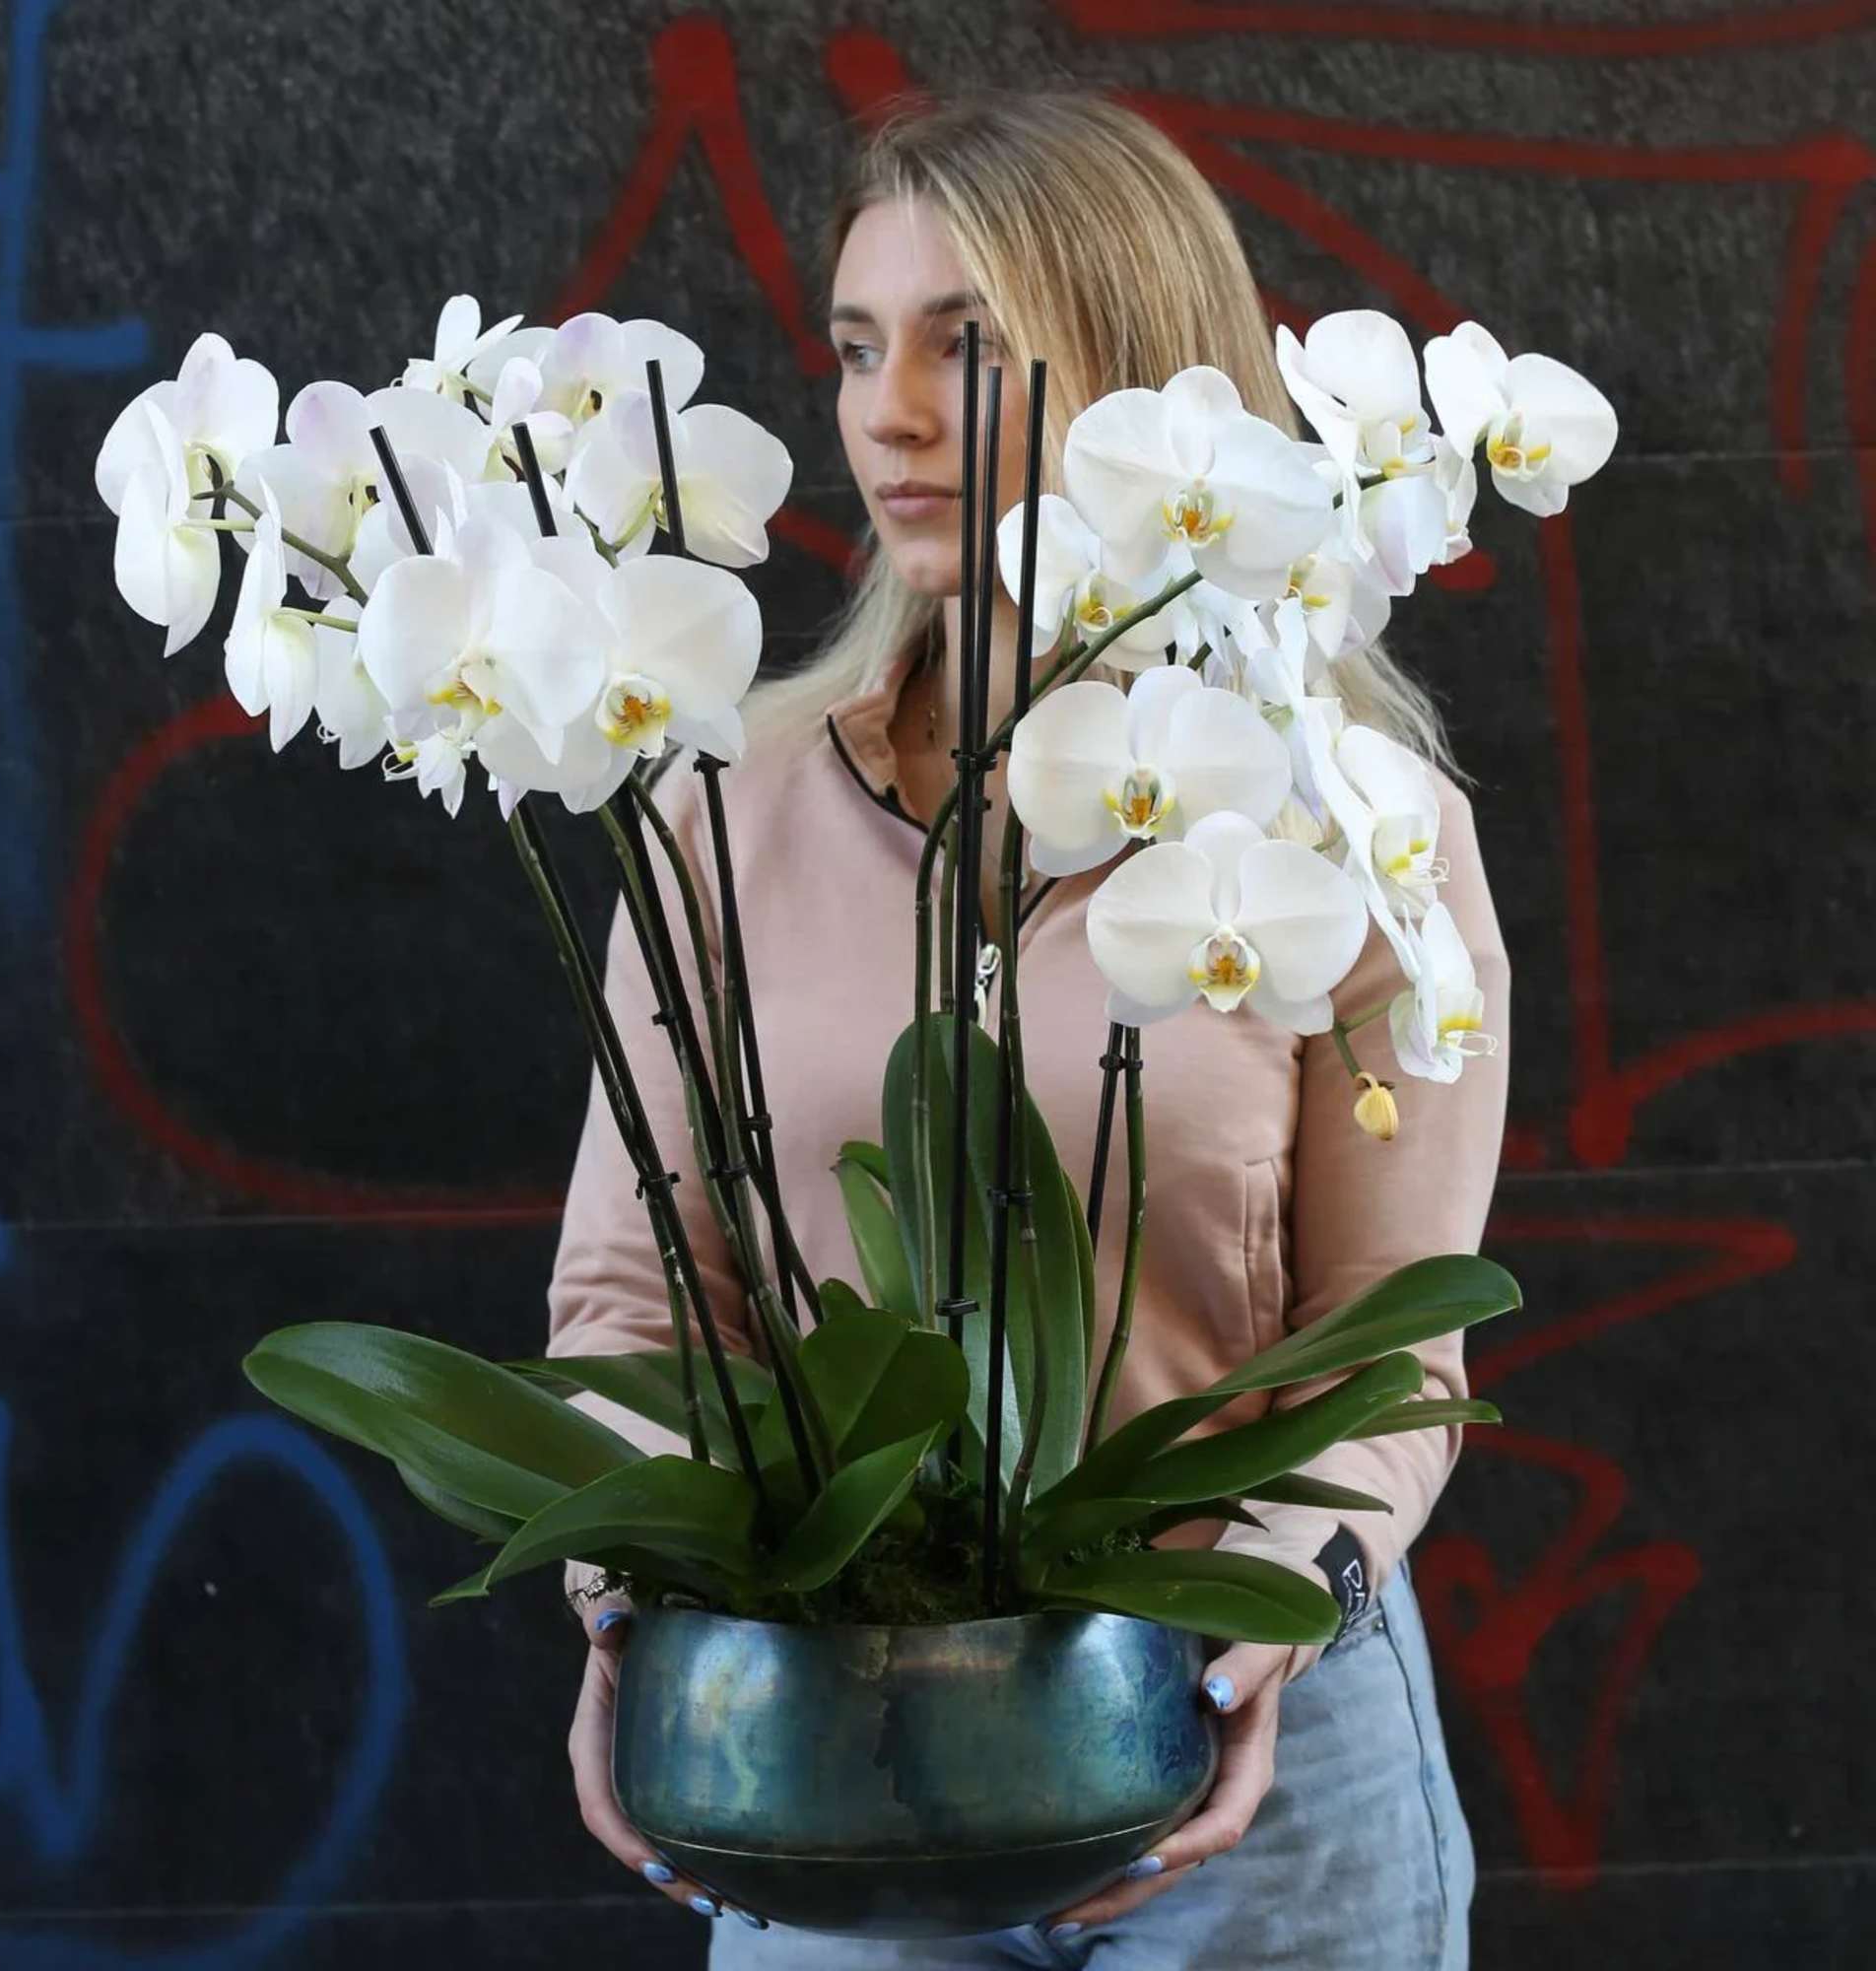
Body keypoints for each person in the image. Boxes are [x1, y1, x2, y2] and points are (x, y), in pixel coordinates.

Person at [545, 88, 1508, 1969]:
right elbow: (633, 1311)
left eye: (962, 345)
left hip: (1252, 1728)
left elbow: (1396, 1344)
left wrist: (1269, 1614)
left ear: (1154, 389)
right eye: (852, 347)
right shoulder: (722, 809)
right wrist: (631, 1595)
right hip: (831, 1726)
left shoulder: (1349, 828)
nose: (883, 411)